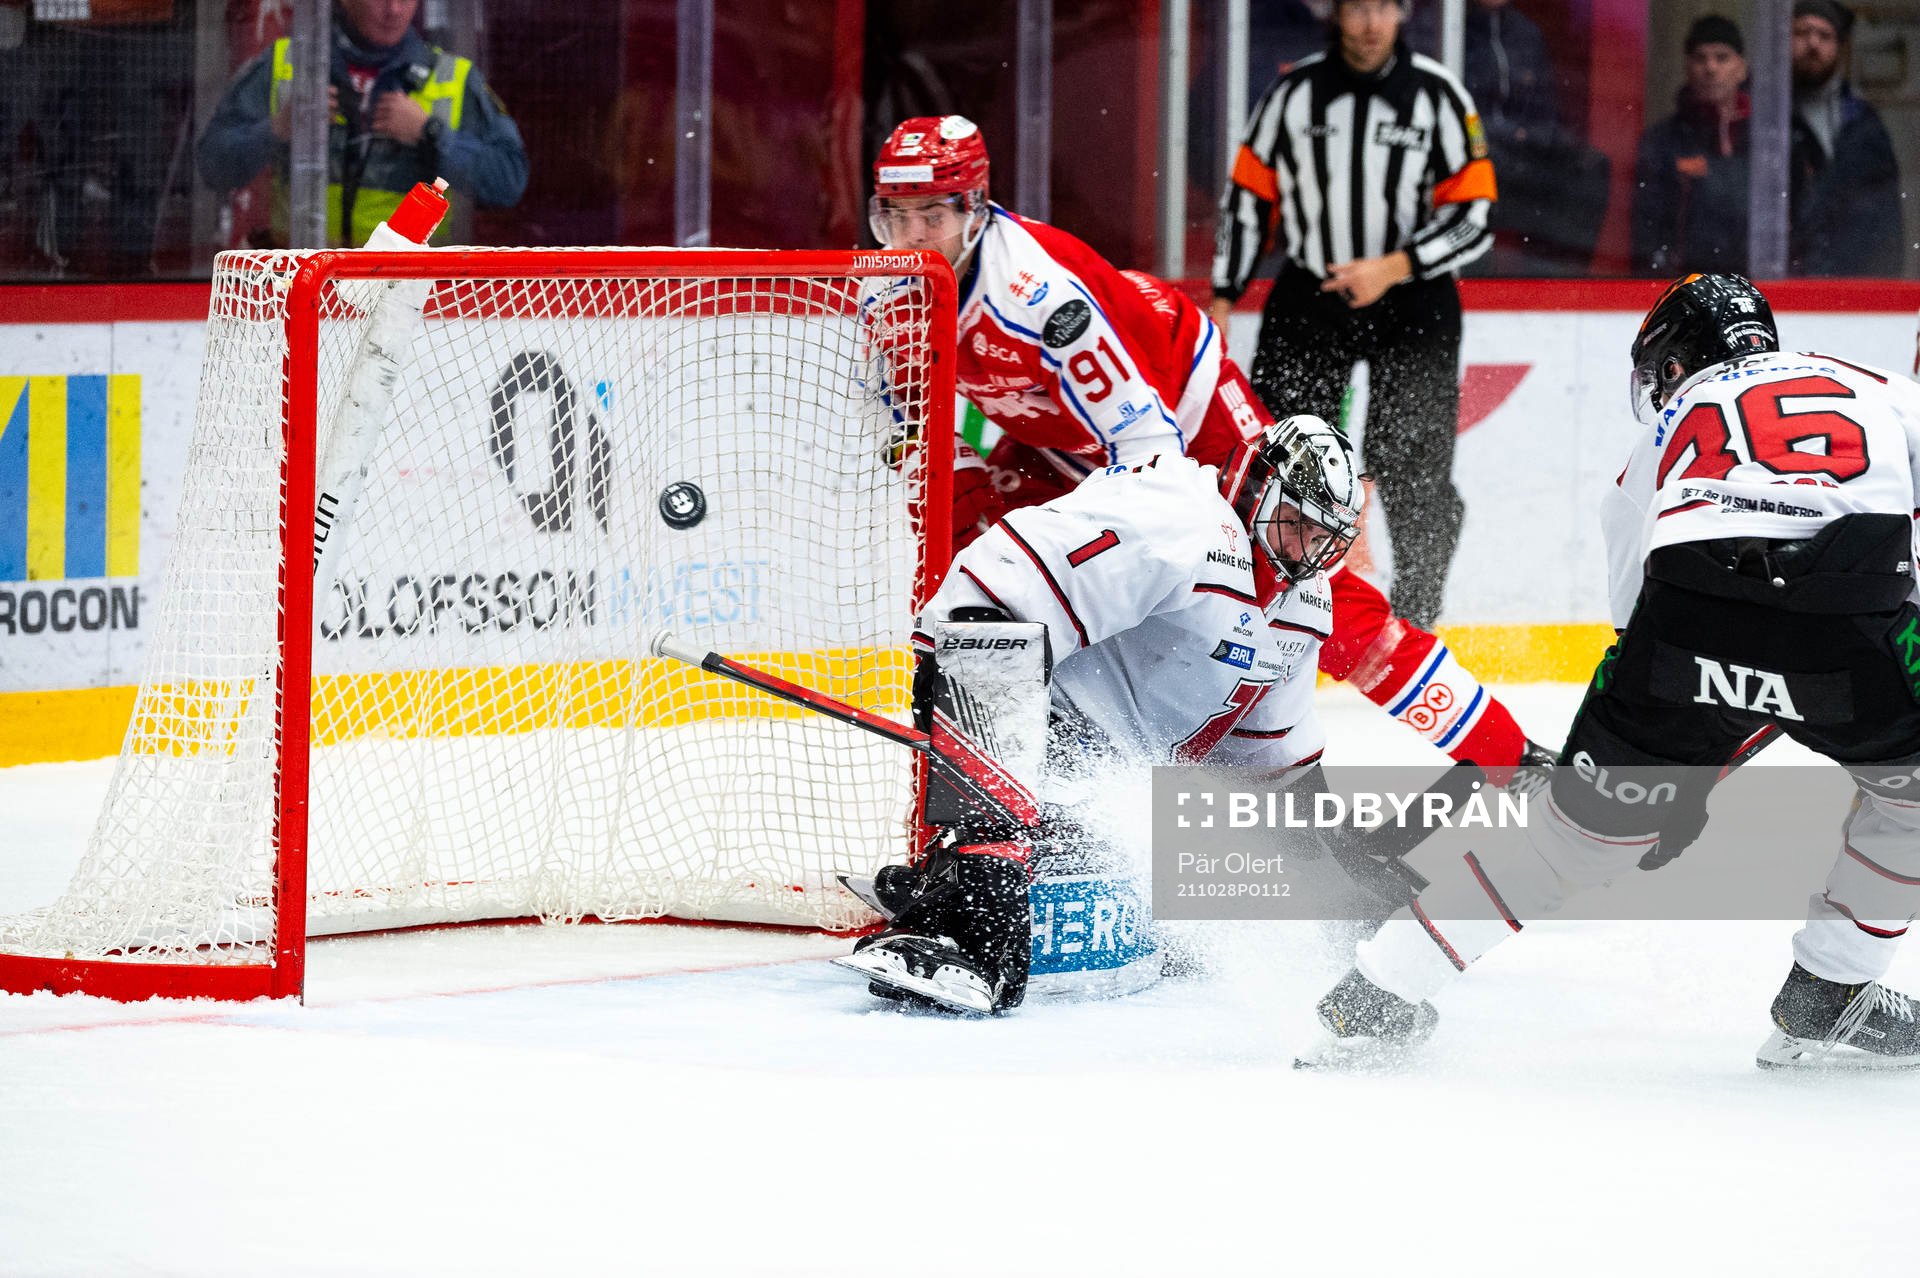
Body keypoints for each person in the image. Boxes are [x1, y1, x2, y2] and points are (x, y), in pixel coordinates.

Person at [1313, 274, 1920, 1070]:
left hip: (1685, 629)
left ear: (1672, 364)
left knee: (1569, 843)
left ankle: (1379, 993)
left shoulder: (1652, 449)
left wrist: (1676, 776)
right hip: (1854, 623)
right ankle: (1831, 989)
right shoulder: (1878, 390)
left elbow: (1647, 629)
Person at [867, 114, 1545, 789]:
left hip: (1183, 419)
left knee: (1311, 585)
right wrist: (964, 522)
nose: (914, 236)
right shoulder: (891, 298)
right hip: (1067, 436)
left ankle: (1507, 753)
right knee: (994, 574)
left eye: (933, 213)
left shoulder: (1037, 298)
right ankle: (992, 799)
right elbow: (914, 434)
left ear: (975, 206)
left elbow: (1150, 459)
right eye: (896, 215)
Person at [842, 416, 1365, 1013]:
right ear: (1254, 483)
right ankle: (954, 920)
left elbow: (1273, 766)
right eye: (1295, 523)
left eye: (1323, 538)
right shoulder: (1179, 519)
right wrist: (994, 842)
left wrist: (1343, 887)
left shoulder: (1305, 603)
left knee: (1179, 898)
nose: (1307, 551)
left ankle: (956, 879)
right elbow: (996, 593)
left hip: (1101, 768)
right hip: (1010, 685)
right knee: (1007, 914)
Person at [1211, 0, 1494, 632]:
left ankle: (1416, 623)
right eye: (1356, 7)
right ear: (1336, 14)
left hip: (1414, 300)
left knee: (1412, 465)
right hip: (1312, 294)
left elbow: (1476, 216)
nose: (1369, 24)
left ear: (1403, 12)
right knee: (1282, 460)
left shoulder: (1438, 96)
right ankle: (1267, 617)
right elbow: (1248, 201)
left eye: (1382, 7)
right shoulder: (1292, 94)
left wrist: (1394, 266)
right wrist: (1224, 298)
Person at [196, 0, 527, 249]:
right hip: (304, 291)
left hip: (408, 299)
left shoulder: (452, 76)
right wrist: (277, 129)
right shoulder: (287, 62)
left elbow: (508, 181)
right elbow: (212, 165)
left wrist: (430, 133)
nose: (394, 10)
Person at [1788, 0, 1902, 278]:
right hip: (1780, 284)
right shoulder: (1762, 115)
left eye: (1824, 35)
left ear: (1840, 46)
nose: (1813, 44)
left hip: (1847, 288)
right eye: (1802, 32)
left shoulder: (1863, 124)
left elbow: (1885, 220)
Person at [1631, 16, 1750, 277]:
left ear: (1741, 68)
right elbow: (1647, 234)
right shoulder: (1662, 141)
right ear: (1687, 67)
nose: (1710, 68)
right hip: (1685, 286)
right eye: (1700, 58)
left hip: (1761, 287)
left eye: (1722, 57)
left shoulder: (1768, 141)